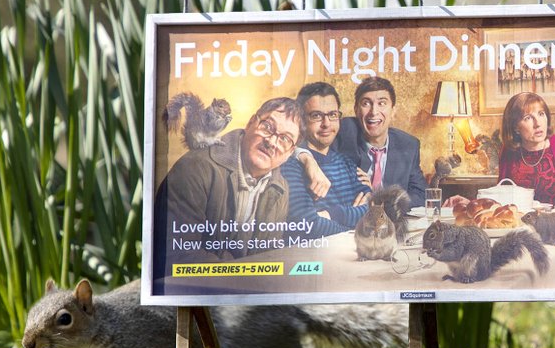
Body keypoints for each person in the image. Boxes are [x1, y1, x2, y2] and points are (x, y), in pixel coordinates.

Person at [153, 96, 300, 259]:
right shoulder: (193, 169)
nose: (272, 142)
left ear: (290, 152)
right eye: (267, 126)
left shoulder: (281, 188)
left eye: (285, 139)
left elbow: (270, 258)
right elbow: (177, 256)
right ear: (251, 122)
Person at [280, 82, 373, 237]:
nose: (326, 124)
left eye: (332, 115)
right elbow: (308, 225)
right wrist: (356, 228)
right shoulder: (291, 165)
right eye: (316, 116)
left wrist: (333, 214)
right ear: (301, 120)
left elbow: (374, 210)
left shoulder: (347, 163)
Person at [333, 76, 427, 207]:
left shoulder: (408, 145)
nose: (374, 112)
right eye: (366, 103)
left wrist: (378, 201)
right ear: (356, 110)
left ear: (393, 110)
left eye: (382, 103)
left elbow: (420, 195)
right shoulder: (342, 132)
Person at [497, 91, 555, 205]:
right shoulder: (509, 152)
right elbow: (502, 196)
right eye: (528, 118)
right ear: (515, 127)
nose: (538, 123)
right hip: (522, 221)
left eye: (541, 114)